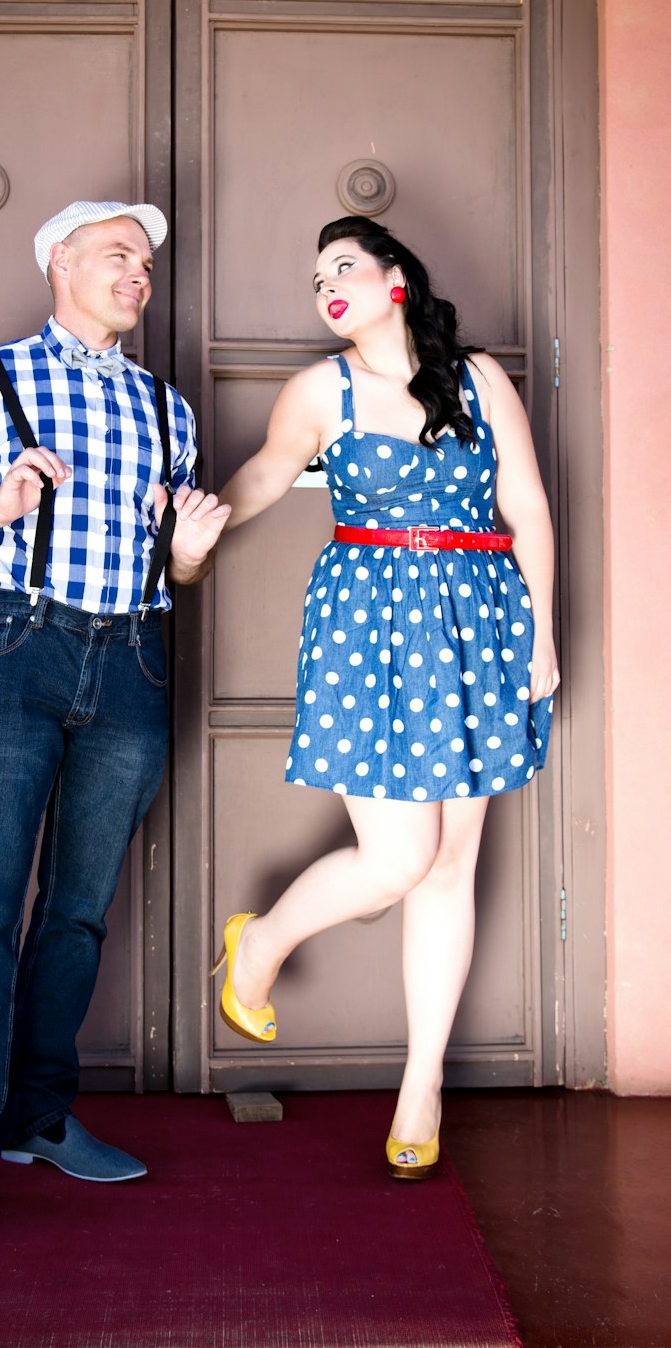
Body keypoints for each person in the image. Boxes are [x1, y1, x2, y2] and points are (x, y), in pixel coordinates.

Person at [0, 200, 229, 1249]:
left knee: (76, 912)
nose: (137, 274)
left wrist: (191, 549)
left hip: (135, 657)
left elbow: (178, 568)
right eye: (117, 254)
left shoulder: (167, 407)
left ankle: (38, 1117)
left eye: (145, 262)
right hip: (17, 651)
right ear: (59, 262)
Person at [211, 214, 558, 1180]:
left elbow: (525, 504)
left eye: (345, 265)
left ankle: (422, 1087)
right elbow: (269, 473)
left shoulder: (479, 378)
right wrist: (193, 525)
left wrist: (545, 632)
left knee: (452, 867)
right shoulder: (319, 391)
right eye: (314, 271)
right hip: (370, 628)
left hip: (483, 620)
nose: (325, 282)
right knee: (401, 856)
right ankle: (263, 939)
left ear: (396, 277)